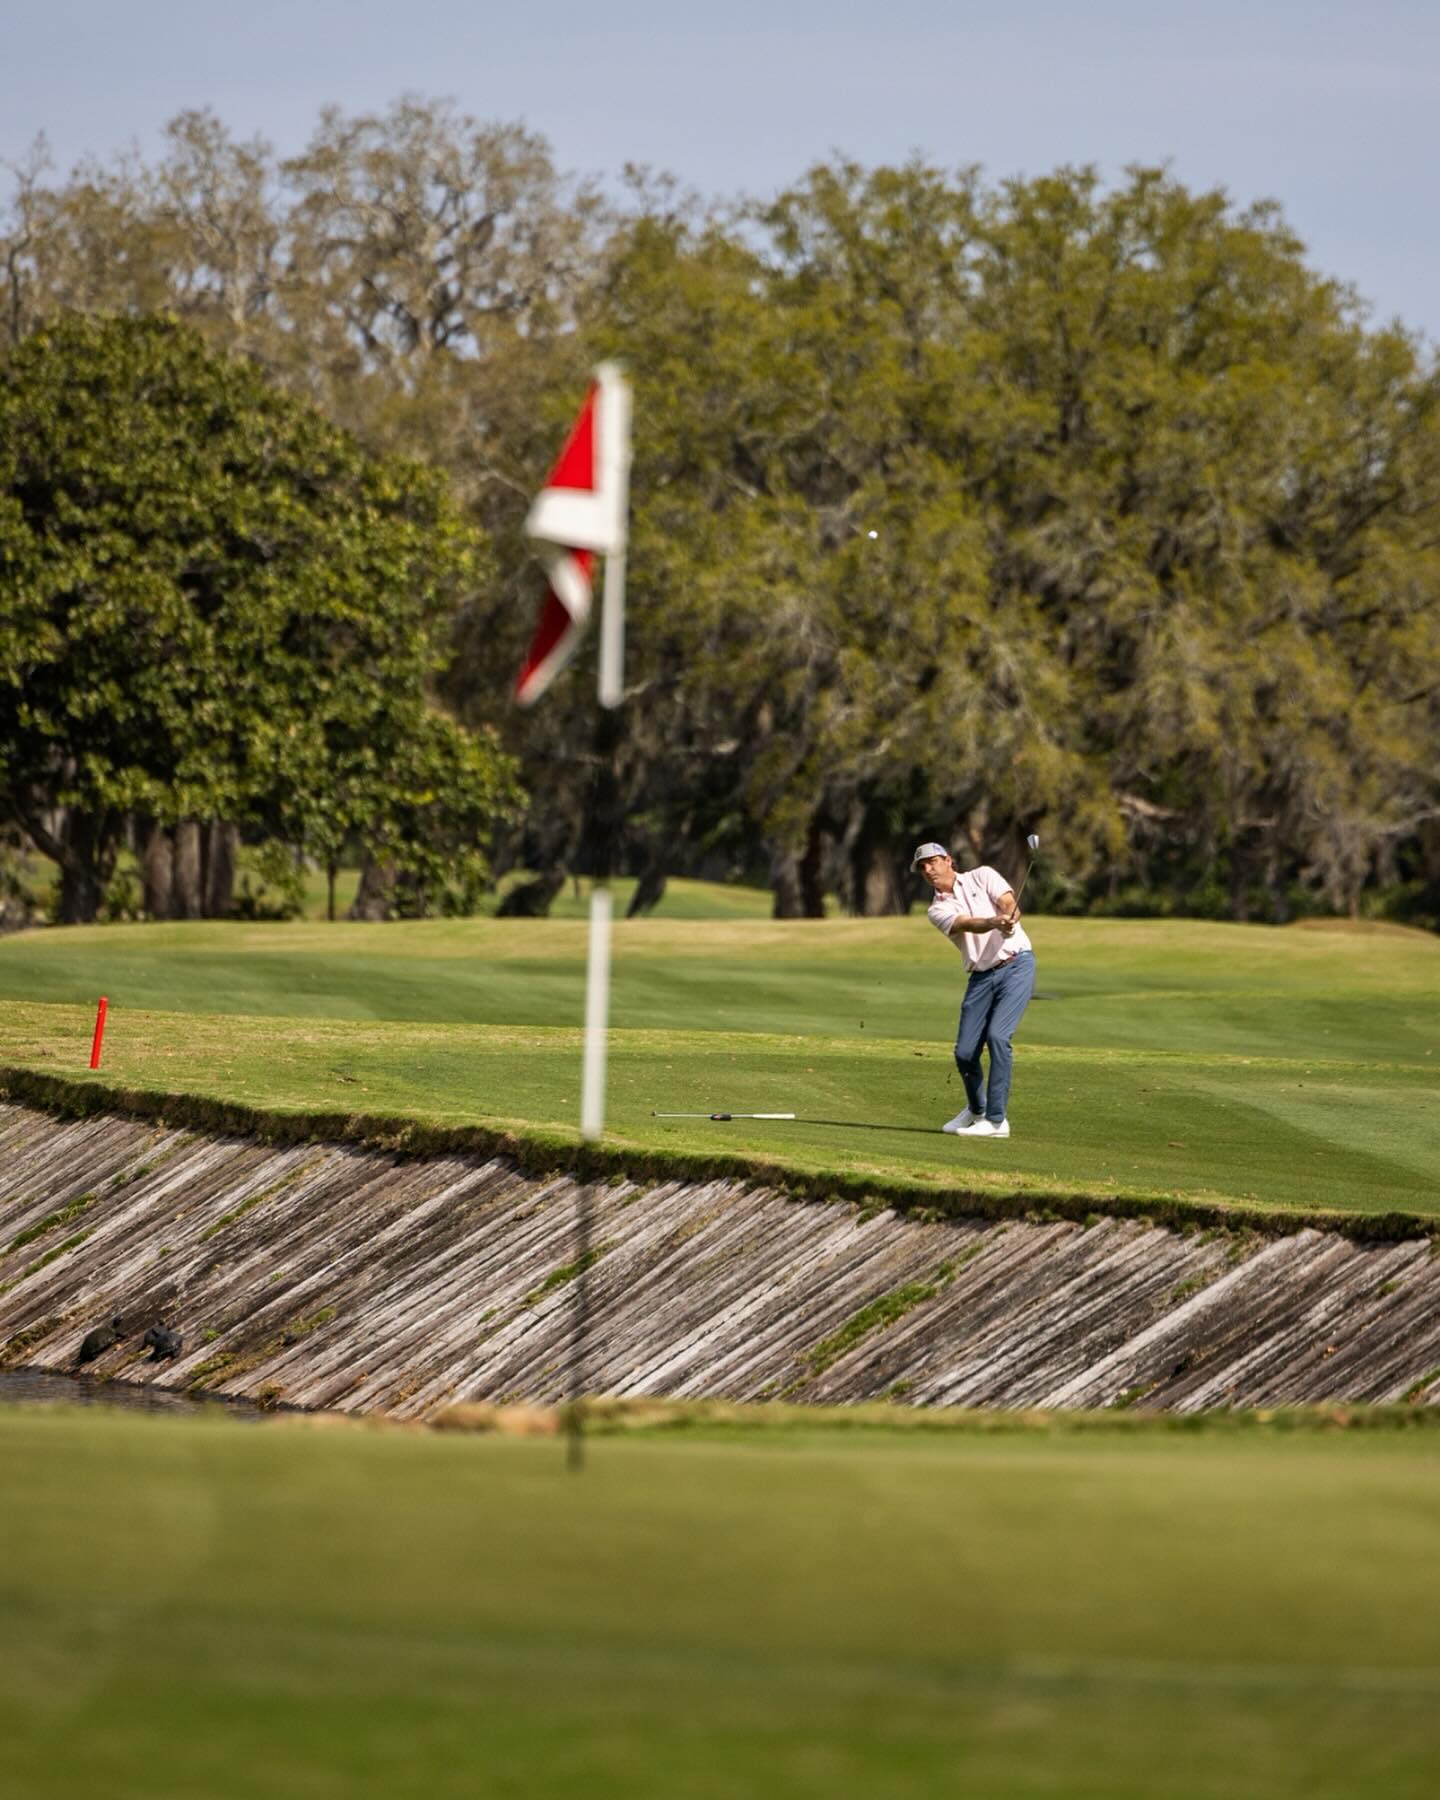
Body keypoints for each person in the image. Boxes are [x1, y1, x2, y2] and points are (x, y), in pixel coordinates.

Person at [911, 841, 1035, 1139]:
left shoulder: (983, 875)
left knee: (997, 1036)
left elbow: (1008, 902)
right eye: (922, 867)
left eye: (932, 862)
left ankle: (996, 1121)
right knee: (965, 1052)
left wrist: (1008, 918)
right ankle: (976, 1111)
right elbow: (969, 924)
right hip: (981, 977)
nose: (928, 870)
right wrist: (994, 922)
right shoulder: (937, 909)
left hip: (1016, 964)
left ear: (948, 860)